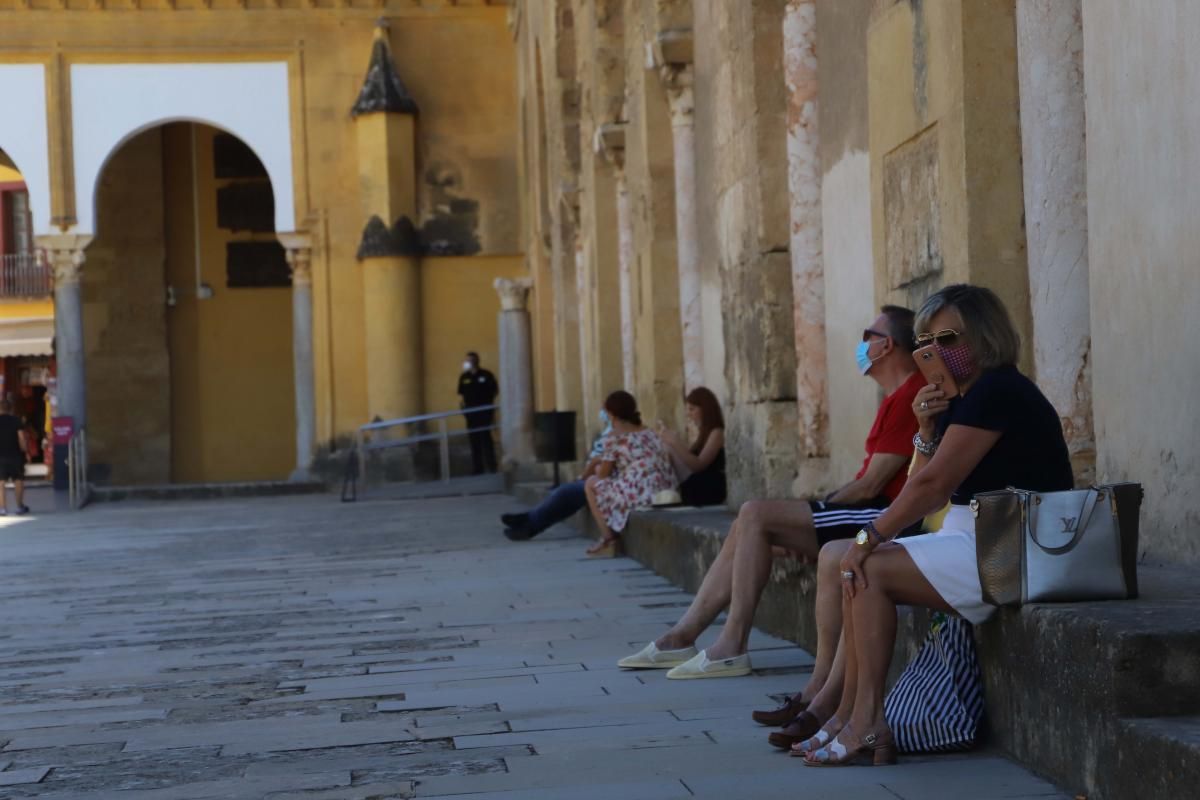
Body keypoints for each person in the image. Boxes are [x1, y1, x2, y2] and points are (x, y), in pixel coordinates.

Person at [799, 284, 1072, 767]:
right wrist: (925, 433)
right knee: (856, 565)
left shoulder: (997, 389)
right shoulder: (967, 399)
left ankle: (863, 722)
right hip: (976, 537)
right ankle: (848, 717)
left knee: (865, 566)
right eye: (928, 342)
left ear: (983, 335)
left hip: (1011, 542)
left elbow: (933, 489)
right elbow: (926, 488)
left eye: (948, 338)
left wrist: (869, 537)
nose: (935, 351)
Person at [617, 306, 924, 681]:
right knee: (748, 526)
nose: (861, 346)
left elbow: (871, 486)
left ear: (886, 345)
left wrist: (812, 513)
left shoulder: (912, 392)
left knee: (756, 513)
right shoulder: (895, 397)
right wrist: (809, 518)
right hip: (863, 511)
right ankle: (682, 636)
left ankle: (730, 645)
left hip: (880, 517)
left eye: (867, 337)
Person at [583, 391, 677, 558]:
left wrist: (596, 465)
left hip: (642, 493)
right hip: (665, 489)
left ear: (611, 414)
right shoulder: (649, 432)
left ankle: (608, 539)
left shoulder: (614, 437)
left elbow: (604, 475)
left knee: (591, 483)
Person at [500, 409, 613, 540]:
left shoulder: (619, 436)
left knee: (566, 493)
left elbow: (604, 470)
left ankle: (530, 524)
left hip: (611, 483)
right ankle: (529, 519)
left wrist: (593, 466)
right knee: (565, 494)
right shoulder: (615, 433)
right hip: (602, 480)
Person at [657, 387, 727, 507]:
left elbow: (699, 465)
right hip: (696, 483)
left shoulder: (717, 432)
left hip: (709, 486)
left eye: (692, 409)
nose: (689, 414)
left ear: (705, 410)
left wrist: (675, 442)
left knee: (670, 446)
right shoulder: (703, 434)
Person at [457, 352, 498, 475]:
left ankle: (491, 467)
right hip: (470, 414)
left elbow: (494, 391)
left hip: (484, 412)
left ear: (477, 361)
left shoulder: (486, 375)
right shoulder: (464, 377)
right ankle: (477, 468)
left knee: (486, 439)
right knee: (474, 440)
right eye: (467, 360)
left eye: (471, 360)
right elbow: (461, 394)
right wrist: (463, 408)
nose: (469, 362)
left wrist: (489, 406)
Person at [0, 400, 30, 516]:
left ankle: (2, 508)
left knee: (0, 482)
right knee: (18, 480)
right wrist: (24, 450)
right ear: (10, 408)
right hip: (15, 455)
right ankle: (19, 506)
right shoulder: (16, 420)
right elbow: (21, 438)